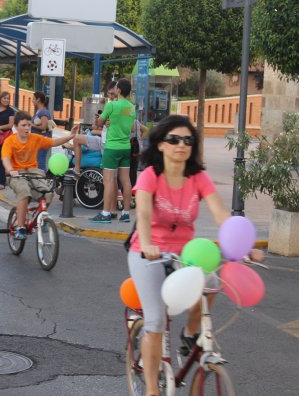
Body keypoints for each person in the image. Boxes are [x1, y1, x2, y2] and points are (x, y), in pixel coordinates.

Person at [127, 115, 264, 396]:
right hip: (148, 252)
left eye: (187, 140)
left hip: (185, 254)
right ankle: (152, 389)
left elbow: (221, 214)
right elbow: (143, 213)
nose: (181, 145)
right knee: (154, 321)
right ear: (161, 145)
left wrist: (242, 247)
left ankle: (190, 334)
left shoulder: (198, 177)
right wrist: (150, 245)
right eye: (174, 139)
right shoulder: (150, 175)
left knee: (212, 281)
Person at [1, 111, 76, 240]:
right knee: (24, 192)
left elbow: (53, 142)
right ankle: (20, 228)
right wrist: (10, 170)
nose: (26, 128)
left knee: (48, 193)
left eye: (28, 125)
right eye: (23, 125)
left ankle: (39, 220)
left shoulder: (35, 138)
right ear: (16, 126)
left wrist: (71, 136)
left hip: (33, 172)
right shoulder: (10, 141)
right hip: (16, 173)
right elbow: (6, 158)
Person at [89, 78, 136, 224]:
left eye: (116, 87)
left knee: (108, 180)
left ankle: (105, 213)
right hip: (125, 147)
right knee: (125, 180)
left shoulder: (111, 106)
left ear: (119, 90)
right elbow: (133, 128)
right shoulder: (131, 107)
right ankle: (126, 213)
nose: (114, 90)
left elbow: (99, 123)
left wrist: (102, 120)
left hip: (111, 147)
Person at [30, 91, 53, 171]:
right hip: (37, 140)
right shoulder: (39, 111)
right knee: (38, 162)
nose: (32, 101)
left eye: (33, 99)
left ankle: (44, 181)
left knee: (40, 163)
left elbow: (44, 126)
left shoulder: (43, 112)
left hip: (43, 140)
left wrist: (32, 125)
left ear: (38, 100)